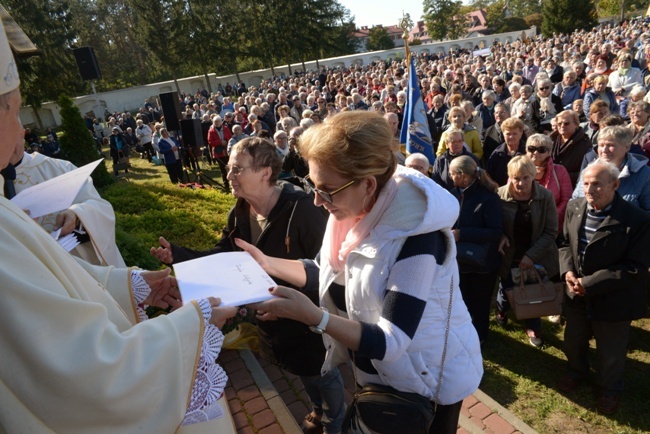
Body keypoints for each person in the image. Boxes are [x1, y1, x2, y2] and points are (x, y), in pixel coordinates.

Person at [0, 21, 237, 432]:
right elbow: (88, 376)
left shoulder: (53, 169)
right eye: (16, 109)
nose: (23, 126)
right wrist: (196, 324)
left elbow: (56, 274)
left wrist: (130, 284)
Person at [237, 111, 483, 434]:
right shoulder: (349, 211)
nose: (316, 200)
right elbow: (324, 272)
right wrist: (268, 264)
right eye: (313, 185)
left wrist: (315, 317)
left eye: (325, 189)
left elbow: (391, 340)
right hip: (381, 378)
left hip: (428, 385)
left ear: (367, 184)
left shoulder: (418, 237)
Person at [149, 138, 342, 434]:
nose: (229, 175)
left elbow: (326, 274)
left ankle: (336, 422)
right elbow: (224, 254)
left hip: (307, 324)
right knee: (303, 374)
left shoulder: (303, 210)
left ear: (265, 172)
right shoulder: (239, 211)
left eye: (237, 169)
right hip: (272, 326)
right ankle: (318, 410)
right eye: (229, 168)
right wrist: (180, 255)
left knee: (322, 375)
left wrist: (292, 308)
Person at [558, 160, 650, 414]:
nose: (590, 189)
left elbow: (635, 267)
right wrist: (567, 271)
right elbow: (565, 243)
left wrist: (589, 283)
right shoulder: (575, 207)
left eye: (597, 184)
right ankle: (576, 372)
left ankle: (610, 389)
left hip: (613, 299)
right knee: (574, 339)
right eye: (586, 183)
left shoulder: (636, 219)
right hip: (576, 293)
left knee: (611, 350)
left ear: (615, 184)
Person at [495, 156, 559, 348]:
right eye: (516, 178)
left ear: (533, 176)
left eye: (525, 177)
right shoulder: (499, 195)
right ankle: (502, 311)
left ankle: (533, 327)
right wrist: (500, 236)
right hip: (509, 254)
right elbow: (492, 224)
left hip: (536, 253)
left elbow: (551, 231)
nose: (520, 183)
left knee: (532, 293)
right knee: (507, 289)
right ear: (509, 177)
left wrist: (530, 257)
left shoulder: (545, 196)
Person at [449, 156, 503, 344]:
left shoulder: (489, 198)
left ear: (462, 176)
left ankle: (479, 339)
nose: (449, 177)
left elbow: (495, 232)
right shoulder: (454, 194)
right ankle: (462, 336)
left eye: (452, 174)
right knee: (461, 302)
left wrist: (462, 234)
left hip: (483, 264)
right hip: (459, 261)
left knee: (479, 304)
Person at [573, 126, 650, 212]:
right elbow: (575, 203)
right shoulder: (588, 171)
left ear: (627, 147)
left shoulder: (645, 174)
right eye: (601, 145)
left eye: (610, 145)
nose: (604, 150)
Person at [526, 134, 572, 229]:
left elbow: (566, 200)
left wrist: (550, 217)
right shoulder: (517, 169)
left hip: (552, 226)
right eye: (531, 149)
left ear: (549, 152)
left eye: (541, 150)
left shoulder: (560, 171)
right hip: (525, 224)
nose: (535, 152)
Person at [550, 110, 593, 188]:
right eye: (559, 124)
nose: (562, 126)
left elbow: (586, 170)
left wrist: (563, 176)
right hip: (551, 184)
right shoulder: (551, 140)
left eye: (566, 123)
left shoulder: (585, 144)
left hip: (572, 186)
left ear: (576, 124)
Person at [486, 117, 527, 186]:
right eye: (508, 134)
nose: (511, 137)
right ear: (503, 134)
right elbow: (489, 175)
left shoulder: (527, 152)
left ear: (521, 133)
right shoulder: (496, 154)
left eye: (514, 133)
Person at [207, 116, 232, 192]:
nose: (217, 123)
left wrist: (226, 141)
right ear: (213, 123)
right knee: (223, 170)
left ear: (221, 122)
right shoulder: (211, 131)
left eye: (218, 121)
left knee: (230, 168)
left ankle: (233, 184)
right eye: (215, 122)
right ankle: (226, 186)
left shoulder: (226, 128)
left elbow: (230, 137)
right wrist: (220, 142)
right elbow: (210, 142)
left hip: (227, 152)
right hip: (219, 154)